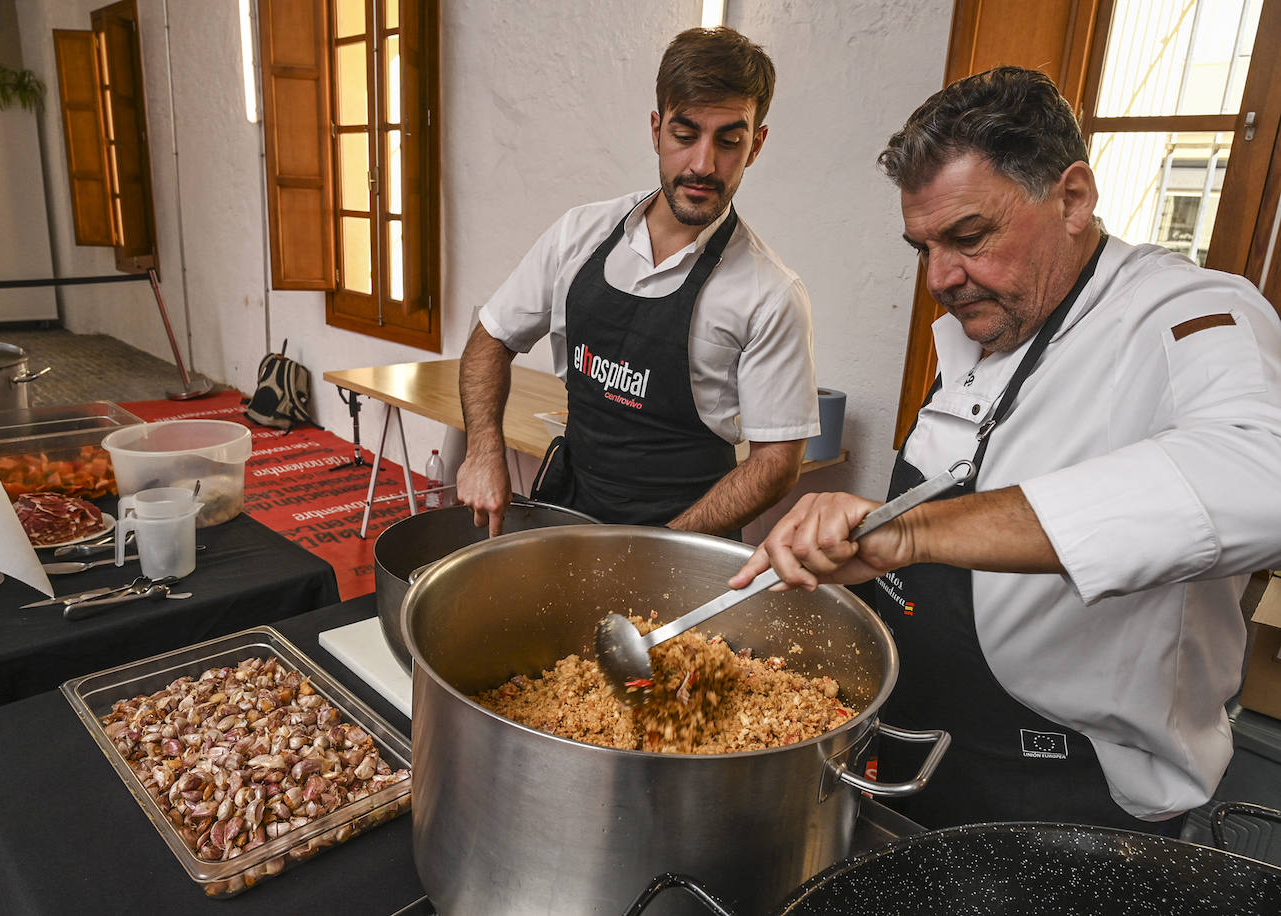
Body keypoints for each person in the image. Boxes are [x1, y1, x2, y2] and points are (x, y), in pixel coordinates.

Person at [731, 66, 1281, 833]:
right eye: (922, 247)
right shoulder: (995, 316)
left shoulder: (1194, 312)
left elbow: (1261, 475)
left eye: (968, 237)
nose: (940, 279)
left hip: (1070, 799)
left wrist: (913, 534)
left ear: (1074, 199)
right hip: (916, 745)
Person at [456, 27, 819, 537]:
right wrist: (483, 450)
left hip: (684, 541)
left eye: (729, 141)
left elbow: (776, 463)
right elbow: (490, 338)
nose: (703, 164)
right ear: (656, 130)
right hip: (567, 513)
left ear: (756, 145)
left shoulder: (771, 294)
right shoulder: (578, 234)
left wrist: (659, 554)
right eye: (685, 134)